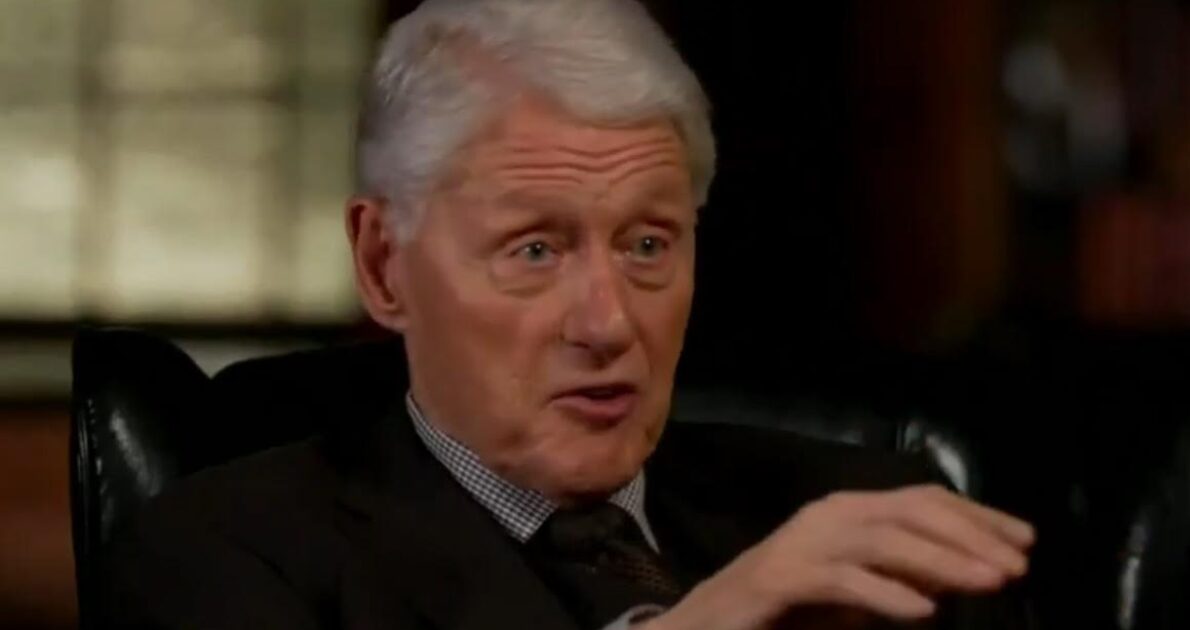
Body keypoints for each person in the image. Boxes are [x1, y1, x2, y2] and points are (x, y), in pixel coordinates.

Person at [97, 0, 1035, 628]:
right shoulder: (223, 555)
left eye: (648, 245)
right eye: (535, 251)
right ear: (384, 266)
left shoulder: (870, 520)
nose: (608, 323)